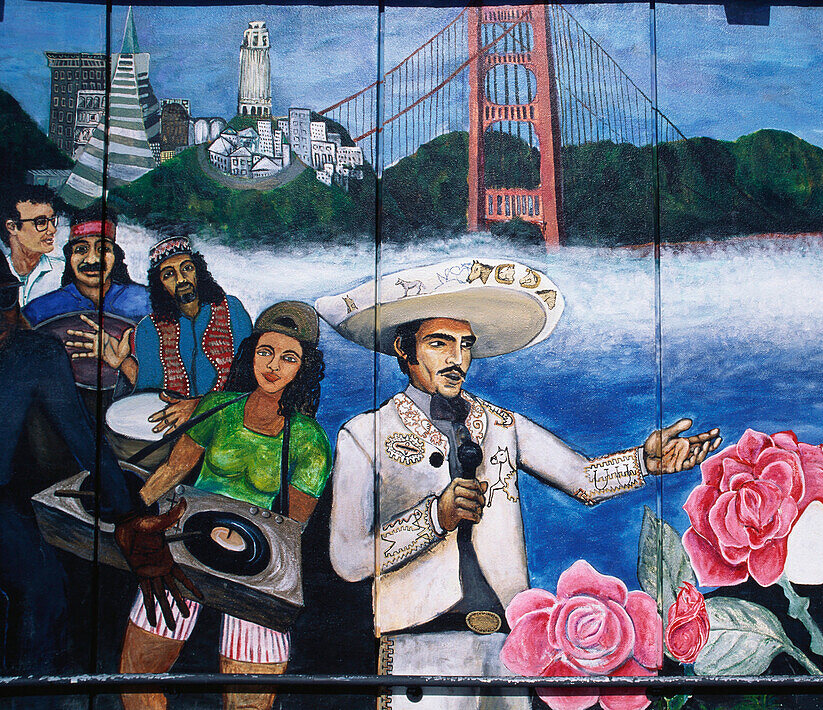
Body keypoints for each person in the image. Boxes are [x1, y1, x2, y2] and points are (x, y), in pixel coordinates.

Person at [320, 258, 721, 710]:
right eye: (439, 344)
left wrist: (645, 463)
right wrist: (435, 517)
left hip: (508, 648)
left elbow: (583, 479)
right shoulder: (364, 434)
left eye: (464, 345)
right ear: (403, 348)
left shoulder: (500, 424)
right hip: (419, 648)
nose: (456, 359)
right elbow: (349, 560)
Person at [118, 301, 331, 710]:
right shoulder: (219, 409)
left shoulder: (310, 440)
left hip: (256, 566)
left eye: (289, 358)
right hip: (182, 544)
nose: (273, 365)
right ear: (251, 353)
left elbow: (293, 527)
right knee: (137, 677)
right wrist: (130, 517)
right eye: (265, 351)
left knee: (248, 703)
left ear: (302, 368)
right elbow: (170, 473)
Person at [0, 257, 195, 701]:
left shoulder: (36, 353)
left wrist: (127, 517)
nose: (1, 320)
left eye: (5, 301)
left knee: (44, 590)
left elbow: (83, 439)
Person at [80, 235, 252, 434]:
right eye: (169, 274)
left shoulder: (232, 310)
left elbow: (248, 383)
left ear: (199, 271)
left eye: (187, 268)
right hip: (176, 427)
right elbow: (152, 393)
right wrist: (122, 363)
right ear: (159, 284)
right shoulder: (148, 329)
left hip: (232, 423)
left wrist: (199, 407)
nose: (181, 279)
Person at [23, 212, 150, 326]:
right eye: (81, 250)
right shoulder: (37, 311)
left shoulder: (148, 301)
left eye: (103, 249)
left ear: (116, 256)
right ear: (69, 256)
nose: (92, 260)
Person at [2, 184, 64, 307]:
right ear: (12, 227)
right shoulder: (3, 273)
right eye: (41, 222)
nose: (52, 230)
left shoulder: (62, 272)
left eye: (52, 221)